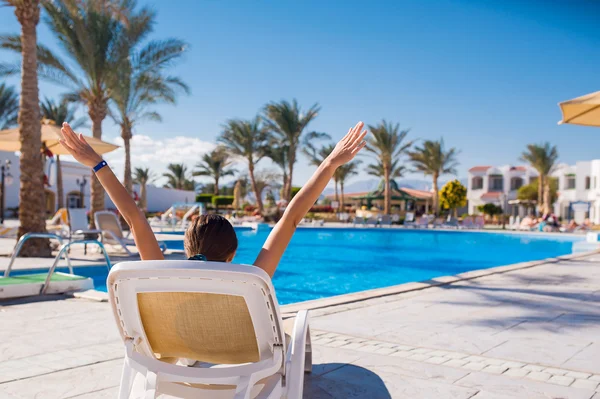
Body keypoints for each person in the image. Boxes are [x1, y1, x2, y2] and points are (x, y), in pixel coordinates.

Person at [58, 121, 367, 277]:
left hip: (177, 358)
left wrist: (97, 164)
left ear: (186, 247)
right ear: (232, 254)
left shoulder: (162, 275)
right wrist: (330, 163)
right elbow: (291, 217)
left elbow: (134, 218)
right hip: (241, 364)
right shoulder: (251, 279)